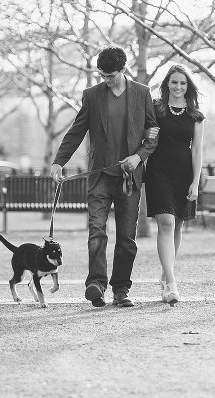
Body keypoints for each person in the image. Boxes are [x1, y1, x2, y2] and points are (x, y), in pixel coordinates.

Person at [50, 47, 158, 308]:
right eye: (102, 75)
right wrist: (58, 161)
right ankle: (96, 285)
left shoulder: (142, 93)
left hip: (129, 178)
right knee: (96, 231)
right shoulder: (92, 96)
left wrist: (139, 156)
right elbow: (77, 131)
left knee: (126, 237)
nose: (106, 80)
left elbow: (153, 131)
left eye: (110, 75)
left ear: (123, 70)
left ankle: (121, 290)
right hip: (100, 177)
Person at [144, 64, 205, 305]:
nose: (178, 87)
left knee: (177, 226)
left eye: (182, 83)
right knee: (166, 223)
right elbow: (145, 133)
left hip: (183, 174)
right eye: (174, 82)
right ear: (167, 84)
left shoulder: (196, 115)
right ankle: (171, 283)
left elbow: (198, 150)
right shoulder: (156, 108)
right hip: (158, 172)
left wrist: (195, 182)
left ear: (188, 86)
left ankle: (165, 273)